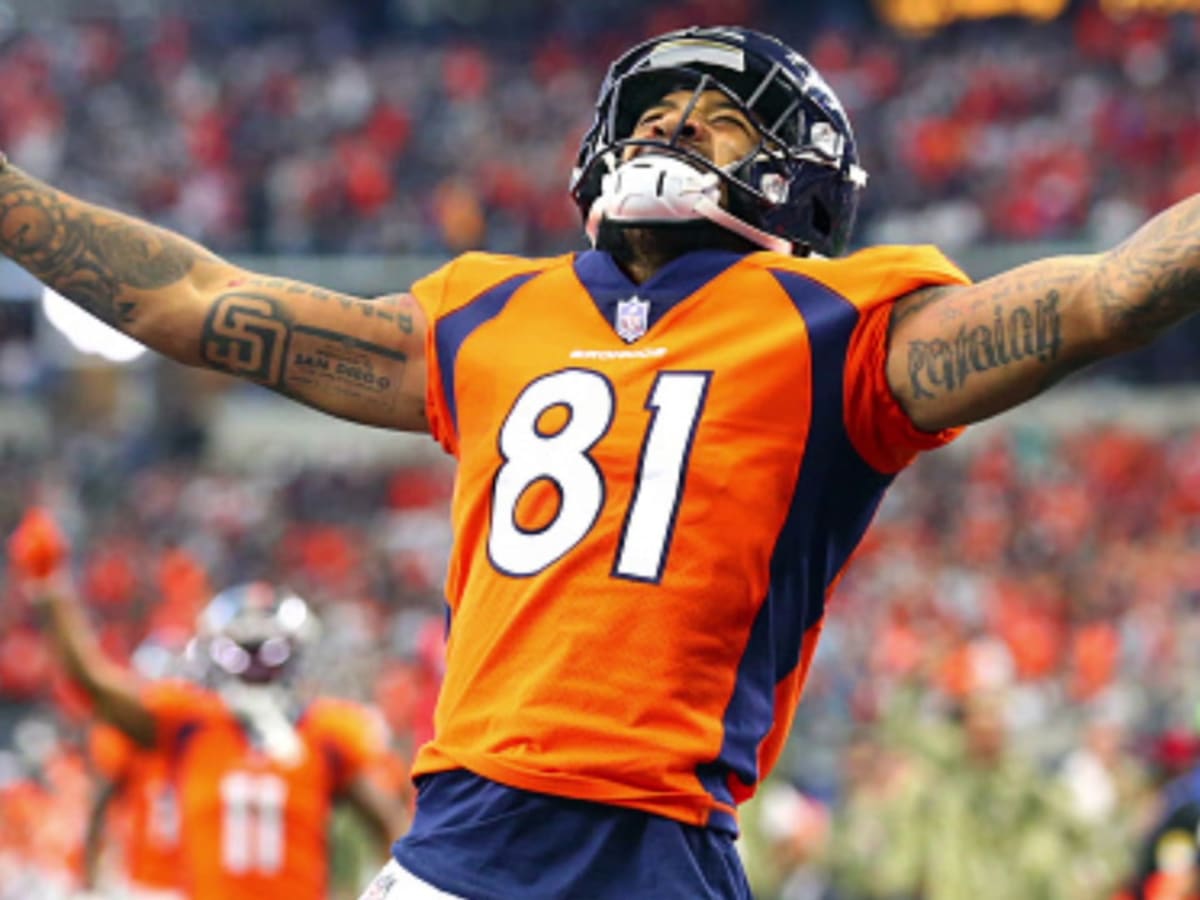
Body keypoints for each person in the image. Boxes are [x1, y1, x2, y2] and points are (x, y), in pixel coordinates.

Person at [1, 22, 1196, 899]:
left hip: (659, 848)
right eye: (655, 109)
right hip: (464, 832)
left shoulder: (840, 328)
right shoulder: (484, 315)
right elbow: (199, 299)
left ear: (801, 181)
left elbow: (1106, 298)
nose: (673, 125)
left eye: (721, 115)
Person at [7, 509, 406, 900]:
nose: (256, 667)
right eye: (246, 652)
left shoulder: (326, 734)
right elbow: (93, 683)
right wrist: (49, 589)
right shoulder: (189, 723)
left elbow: (389, 827)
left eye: (267, 653)